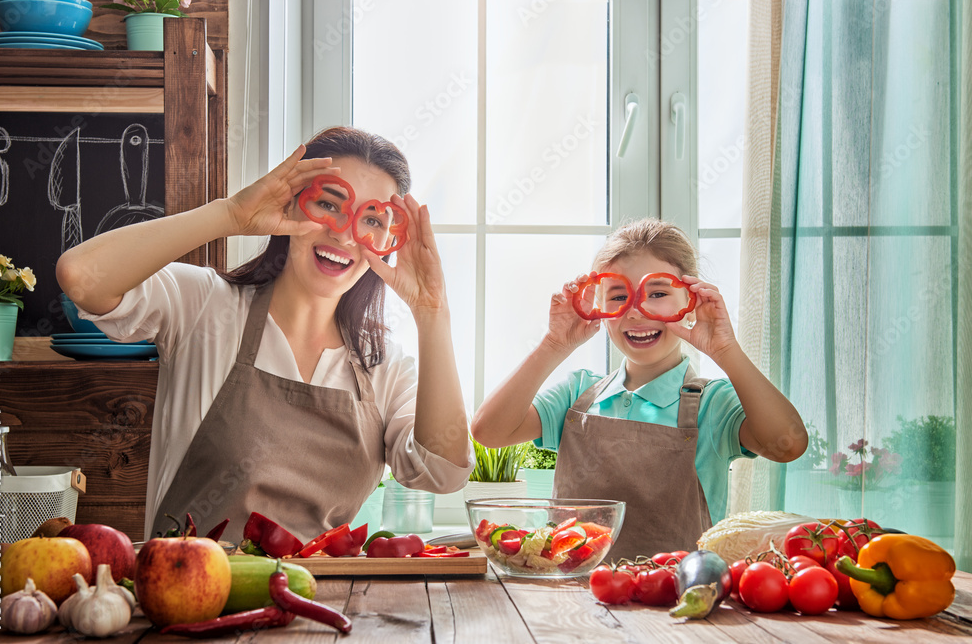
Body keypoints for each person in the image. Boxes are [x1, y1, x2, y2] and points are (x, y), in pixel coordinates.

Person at [57, 126, 474, 542]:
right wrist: (230, 215)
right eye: (329, 204)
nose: (344, 234)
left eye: (371, 219)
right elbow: (81, 278)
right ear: (291, 204)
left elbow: (443, 471)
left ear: (387, 240)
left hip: (322, 601)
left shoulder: (384, 367)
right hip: (188, 597)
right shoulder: (204, 307)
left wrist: (432, 312)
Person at [470, 218, 807, 559]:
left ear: (689, 300)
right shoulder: (578, 396)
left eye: (657, 294)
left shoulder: (712, 403)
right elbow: (489, 431)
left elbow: (788, 445)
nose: (635, 312)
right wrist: (554, 343)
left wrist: (725, 350)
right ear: (599, 309)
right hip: (575, 602)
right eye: (618, 296)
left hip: (676, 601)